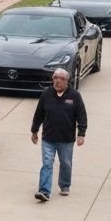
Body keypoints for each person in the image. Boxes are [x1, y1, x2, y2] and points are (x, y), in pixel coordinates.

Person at [31, 68, 87, 201]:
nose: (56, 81)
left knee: (66, 163)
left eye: (59, 78)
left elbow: (82, 116)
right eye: (54, 77)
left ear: (66, 81)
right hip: (48, 138)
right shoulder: (46, 94)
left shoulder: (74, 96)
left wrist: (81, 133)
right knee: (47, 164)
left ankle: (64, 185)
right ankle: (44, 191)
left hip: (66, 139)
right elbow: (39, 114)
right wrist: (34, 130)